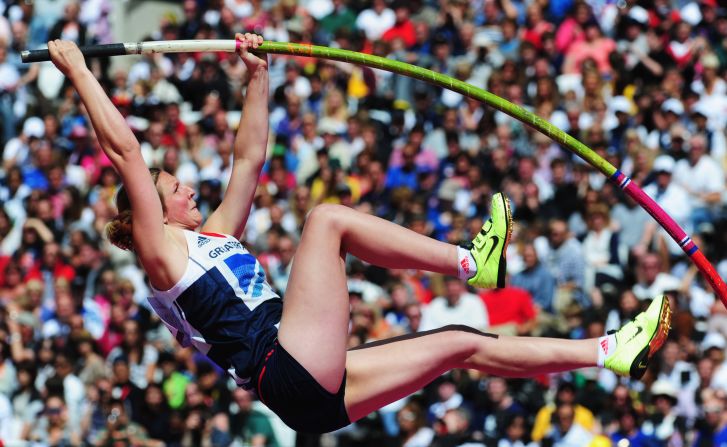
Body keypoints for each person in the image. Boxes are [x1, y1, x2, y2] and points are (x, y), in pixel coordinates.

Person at [47, 35, 671, 434]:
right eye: (174, 188)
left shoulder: (208, 239)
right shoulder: (164, 260)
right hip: (285, 367)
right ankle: (469, 262)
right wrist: (78, 68)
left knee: (461, 343)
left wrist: (256, 77)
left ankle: (610, 352)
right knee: (326, 221)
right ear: (154, 215)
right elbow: (125, 151)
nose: (187, 188)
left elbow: (247, 160)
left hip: (308, 392)